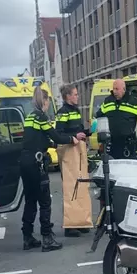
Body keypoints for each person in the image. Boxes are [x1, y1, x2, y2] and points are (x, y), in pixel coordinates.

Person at [19, 87, 76, 251]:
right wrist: (72, 139)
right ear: (44, 101)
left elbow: (37, 138)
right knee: (45, 202)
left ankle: (27, 237)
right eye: (48, 101)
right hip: (37, 164)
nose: (49, 104)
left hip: (25, 162)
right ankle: (47, 238)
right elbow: (56, 136)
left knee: (30, 201)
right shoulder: (41, 117)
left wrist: (50, 144)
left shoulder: (29, 117)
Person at [55, 84, 94, 237]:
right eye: (75, 94)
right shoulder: (62, 113)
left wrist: (88, 132)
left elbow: (78, 131)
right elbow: (59, 133)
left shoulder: (76, 111)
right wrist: (74, 137)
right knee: (71, 188)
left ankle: (81, 221)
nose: (77, 97)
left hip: (79, 150)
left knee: (82, 186)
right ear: (68, 97)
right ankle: (70, 226)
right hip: (69, 152)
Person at [95, 79, 137, 159]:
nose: (114, 91)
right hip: (111, 145)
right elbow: (98, 116)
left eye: (117, 89)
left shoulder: (133, 102)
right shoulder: (108, 101)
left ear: (124, 89)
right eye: (113, 89)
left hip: (127, 146)